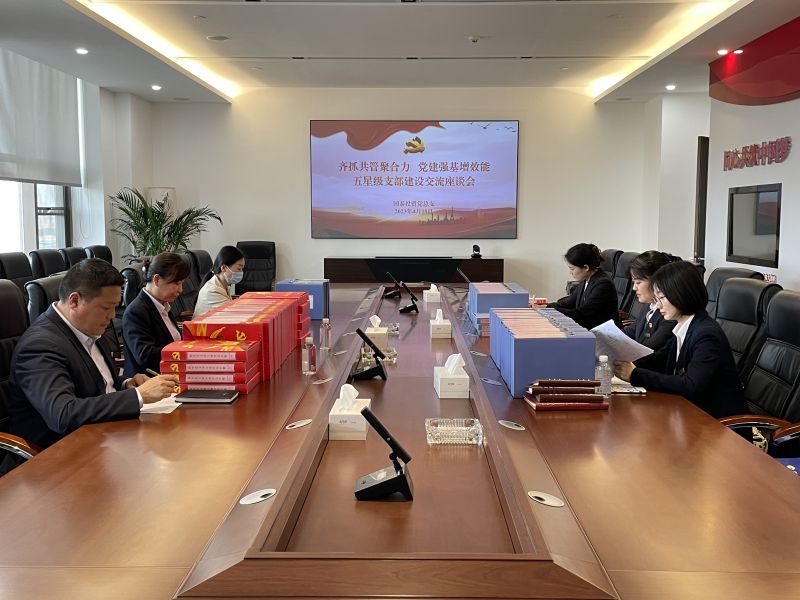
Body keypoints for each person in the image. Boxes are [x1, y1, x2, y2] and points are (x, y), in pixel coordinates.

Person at [7, 258, 177, 452]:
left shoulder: (89, 327)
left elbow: (95, 382)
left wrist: (126, 383)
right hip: (61, 452)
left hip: (107, 433)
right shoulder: (39, 346)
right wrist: (138, 395)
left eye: (115, 306)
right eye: (106, 307)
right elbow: (64, 414)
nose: (112, 316)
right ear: (74, 301)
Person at [614, 261, 747, 418]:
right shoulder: (685, 326)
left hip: (716, 422)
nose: (658, 306)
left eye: (661, 298)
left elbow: (690, 385)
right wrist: (622, 363)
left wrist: (634, 374)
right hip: (687, 412)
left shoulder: (706, 334)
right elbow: (659, 358)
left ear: (681, 295)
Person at [122, 252, 189, 378]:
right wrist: (183, 349)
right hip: (150, 380)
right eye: (176, 283)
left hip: (173, 373)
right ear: (157, 279)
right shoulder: (136, 312)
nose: (180, 290)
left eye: (182, 283)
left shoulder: (163, 305)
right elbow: (145, 356)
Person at [547, 243, 618, 330]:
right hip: (588, 329)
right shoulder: (586, 280)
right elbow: (567, 303)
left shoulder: (603, 284)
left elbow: (582, 314)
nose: (570, 272)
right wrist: (544, 306)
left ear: (585, 268)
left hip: (604, 334)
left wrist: (550, 309)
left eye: (572, 268)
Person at [623, 250, 676, 350]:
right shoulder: (649, 305)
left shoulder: (670, 314)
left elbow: (649, 349)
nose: (634, 288)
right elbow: (631, 332)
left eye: (638, 282)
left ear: (657, 281)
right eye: (634, 282)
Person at [193, 245, 245, 318]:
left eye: (242, 269)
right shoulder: (212, 291)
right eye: (239, 268)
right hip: (205, 325)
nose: (241, 272)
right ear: (223, 268)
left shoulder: (224, 285)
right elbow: (234, 315)